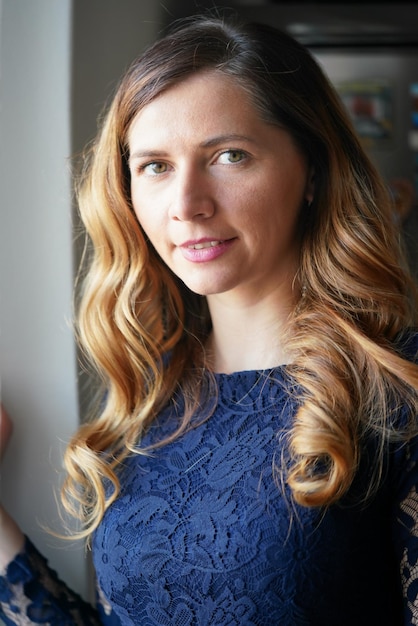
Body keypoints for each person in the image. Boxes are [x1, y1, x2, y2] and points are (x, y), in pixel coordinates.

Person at [1, 13, 418, 625]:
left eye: (229, 155)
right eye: (155, 166)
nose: (187, 205)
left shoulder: (398, 393)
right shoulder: (149, 393)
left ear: (312, 172)